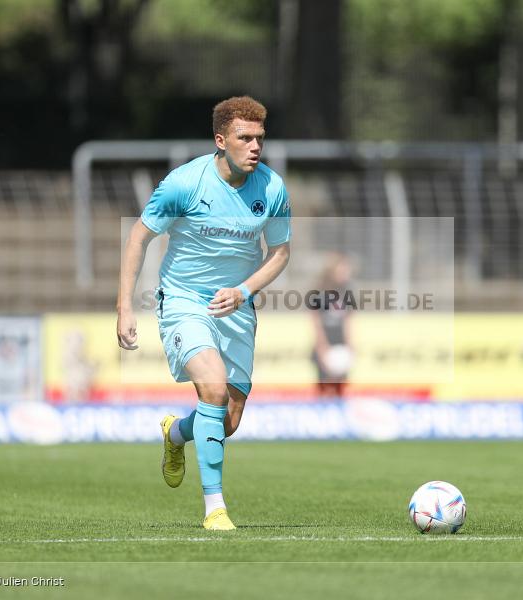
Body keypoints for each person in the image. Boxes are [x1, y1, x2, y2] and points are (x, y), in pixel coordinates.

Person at [117, 96, 290, 531]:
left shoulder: (272, 188)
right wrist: (124, 307)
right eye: (244, 138)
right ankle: (215, 508)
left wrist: (243, 291)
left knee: (228, 419)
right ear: (220, 140)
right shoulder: (184, 184)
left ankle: (176, 433)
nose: (255, 147)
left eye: (260, 138)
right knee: (212, 388)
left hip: (237, 306)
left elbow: (281, 252)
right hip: (184, 301)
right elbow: (138, 237)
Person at [311, 253, 354, 398]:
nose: (346, 273)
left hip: (340, 345)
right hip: (325, 345)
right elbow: (316, 321)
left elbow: (348, 320)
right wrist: (322, 347)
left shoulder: (346, 291)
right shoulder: (319, 292)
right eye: (342, 270)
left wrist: (350, 345)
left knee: (340, 388)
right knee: (324, 388)